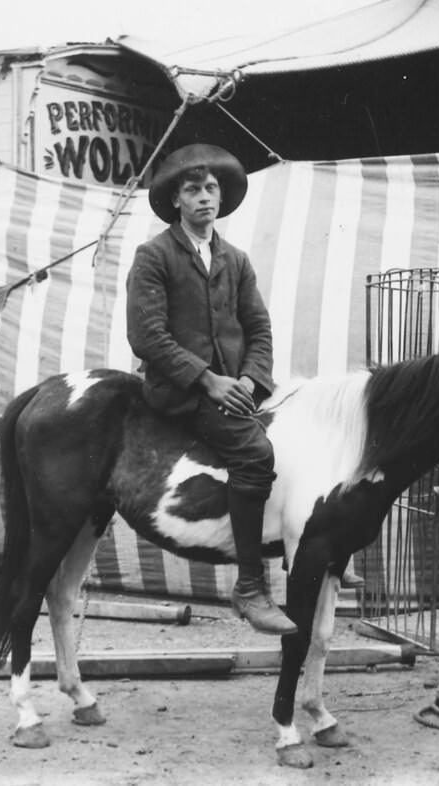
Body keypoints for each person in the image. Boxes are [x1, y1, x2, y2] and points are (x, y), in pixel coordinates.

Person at [125, 143, 297, 636]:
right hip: (182, 390)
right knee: (255, 454)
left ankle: (306, 548)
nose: (204, 197)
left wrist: (249, 379)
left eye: (211, 188)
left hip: (236, 388)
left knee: (295, 439)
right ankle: (250, 585)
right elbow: (146, 335)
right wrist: (207, 379)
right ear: (175, 200)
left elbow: (259, 329)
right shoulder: (154, 255)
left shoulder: (235, 260)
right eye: (193, 189)